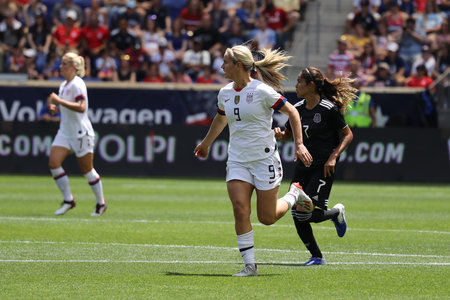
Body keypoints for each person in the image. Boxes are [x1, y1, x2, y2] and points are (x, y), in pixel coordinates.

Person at [193, 44, 314, 276]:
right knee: (240, 209)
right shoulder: (225, 93)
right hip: (238, 159)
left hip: (263, 159)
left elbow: (293, 112)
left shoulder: (263, 91)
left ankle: (294, 194)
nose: (221, 66)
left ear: (238, 65)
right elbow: (221, 120)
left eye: (225, 62)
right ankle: (250, 265)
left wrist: (299, 143)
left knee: (266, 218)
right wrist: (206, 143)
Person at [274, 67, 355, 266]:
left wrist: (333, 157)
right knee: (296, 211)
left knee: (306, 214)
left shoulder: (328, 109)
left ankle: (336, 212)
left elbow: (348, 135)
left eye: (300, 82)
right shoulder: (298, 109)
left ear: (311, 85)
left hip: (323, 167)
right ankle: (317, 256)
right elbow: (288, 136)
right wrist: (280, 135)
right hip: (303, 166)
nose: (296, 85)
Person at [47, 51, 107, 216]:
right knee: (53, 163)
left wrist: (58, 101)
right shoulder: (64, 85)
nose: (61, 66)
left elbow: (81, 107)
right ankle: (68, 200)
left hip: (81, 133)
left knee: (87, 170)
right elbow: (67, 106)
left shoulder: (77, 84)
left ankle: (101, 203)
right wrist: (55, 108)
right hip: (65, 131)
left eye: (64, 63)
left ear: (73, 67)